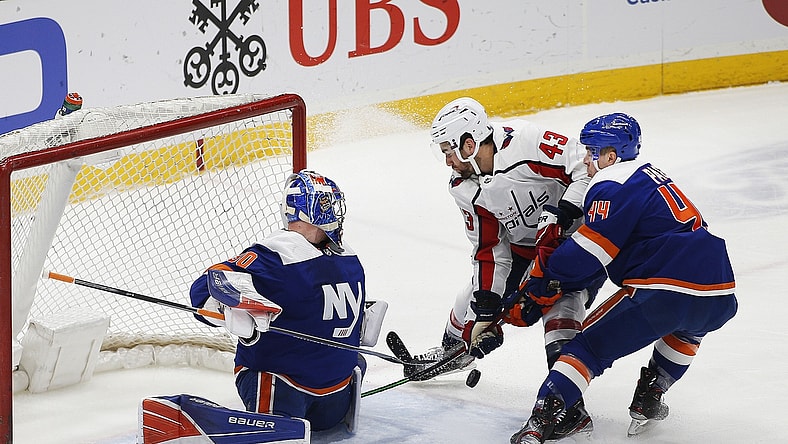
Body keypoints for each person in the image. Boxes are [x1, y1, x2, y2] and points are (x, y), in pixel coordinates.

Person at [510, 113, 738, 443]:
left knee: (586, 347)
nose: (586, 160)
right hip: (719, 288)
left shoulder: (610, 182)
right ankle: (653, 391)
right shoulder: (650, 174)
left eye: (592, 152)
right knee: (687, 328)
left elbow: (591, 253)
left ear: (611, 156)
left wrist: (542, 278)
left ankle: (542, 419)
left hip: (666, 285)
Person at [417, 97, 605, 439]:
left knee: (561, 308)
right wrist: (489, 307)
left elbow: (587, 168)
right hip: (526, 251)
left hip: (577, 243)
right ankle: (454, 351)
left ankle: (568, 407)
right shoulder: (464, 186)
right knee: (475, 295)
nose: (446, 161)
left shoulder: (528, 142)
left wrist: (565, 211)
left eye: (449, 150)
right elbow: (490, 249)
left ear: (469, 143)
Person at [189, 170, 374, 434]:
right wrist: (234, 304)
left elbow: (206, 286)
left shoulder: (279, 254)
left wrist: (225, 307)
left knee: (261, 369)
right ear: (308, 210)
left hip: (291, 396)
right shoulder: (350, 258)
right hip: (335, 400)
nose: (334, 212)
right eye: (327, 205)